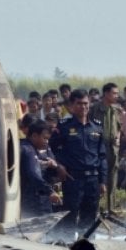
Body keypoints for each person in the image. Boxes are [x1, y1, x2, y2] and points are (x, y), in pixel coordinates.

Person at [49, 89, 107, 235]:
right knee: (70, 215)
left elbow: (102, 156)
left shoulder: (97, 126)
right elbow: (51, 149)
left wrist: (103, 181)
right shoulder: (64, 126)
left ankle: (85, 248)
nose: (83, 107)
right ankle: (67, 247)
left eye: (86, 103)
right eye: (79, 104)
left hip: (93, 179)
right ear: (72, 105)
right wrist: (59, 166)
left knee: (89, 217)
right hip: (72, 178)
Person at [88, 82, 121, 212]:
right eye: (114, 93)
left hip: (113, 148)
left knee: (113, 177)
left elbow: (119, 127)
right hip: (98, 147)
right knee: (99, 177)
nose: (116, 96)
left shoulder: (115, 110)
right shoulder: (94, 108)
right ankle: (96, 207)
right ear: (106, 93)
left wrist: (118, 138)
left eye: (117, 93)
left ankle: (110, 208)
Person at [20, 119, 62, 217]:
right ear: (34, 136)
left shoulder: (27, 147)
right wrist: (50, 191)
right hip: (35, 199)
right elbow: (33, 174)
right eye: (45, 138)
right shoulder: (28, 150)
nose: (47, 142)